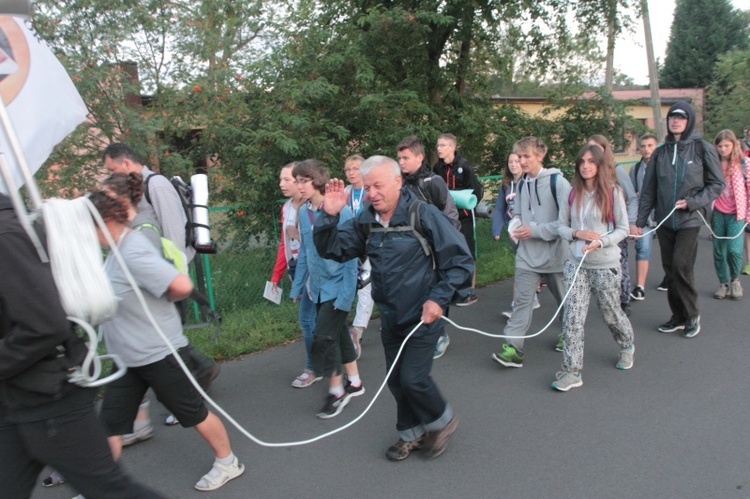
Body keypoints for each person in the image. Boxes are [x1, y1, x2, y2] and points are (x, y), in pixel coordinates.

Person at [0, 193, 165, 499]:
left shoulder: (5, 234)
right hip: (15, 399)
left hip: (48, 398)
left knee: (111, 490)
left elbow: (44, 325)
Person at [313, 155, 472, 461]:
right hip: (390, 316)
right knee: (397, 381)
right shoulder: (366, 220)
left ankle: (442, 420)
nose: (372, 192)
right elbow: (334, 249)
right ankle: (410, 434)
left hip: (423, 316)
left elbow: (460, 261)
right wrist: (329, 217)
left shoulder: (422, 214)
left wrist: (438, 299)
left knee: (413, 379)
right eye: (368, 186)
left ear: (398, 181)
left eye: (378, 185)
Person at [88, 191, 245, 492]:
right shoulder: (116, 250)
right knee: (109, 423)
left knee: (193, 412)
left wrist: (166, 297)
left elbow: (182, 284)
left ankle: (228, 461)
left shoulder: (133, 250)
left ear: (105, 222)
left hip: (159, 353)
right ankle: (98, 485)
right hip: (128, 358)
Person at [633, 101, 724, 338]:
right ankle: (678, 317)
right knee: (670, 271)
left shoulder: (701, 149)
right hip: (665, 221)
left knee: (681, 266)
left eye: (681, 118)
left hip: (690, 220)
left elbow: (717, 185)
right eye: (672, 117)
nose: (676, 121)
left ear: (689, 121)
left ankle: (692, 314)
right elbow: (649, 189)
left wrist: (692, 203)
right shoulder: (660, 153)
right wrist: (639, 221)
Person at [552, 144, 635, 392]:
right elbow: (560, 226)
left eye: (591, 161)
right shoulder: (572, 193)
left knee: (610, 313)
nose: (586, 165)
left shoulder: (612, 191)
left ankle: (627, 344)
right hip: (576, 264)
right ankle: (572, 371)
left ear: (599, 165)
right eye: (582, 161)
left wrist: (601, 241)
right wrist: (576, 233)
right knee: (572, 318)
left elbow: (623, 229)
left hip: (605, 264)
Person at [289, 160, 364, 419]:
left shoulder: (339, 211)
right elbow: (307, 254)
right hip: (317, 288)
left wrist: (345, 296)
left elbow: (351, 257)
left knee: (325, 337)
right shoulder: (302, 212)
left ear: (317, 181)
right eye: (296, 181)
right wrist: (298, 286)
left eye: (303, 181)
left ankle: (336, 392)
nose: (299, 186)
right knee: (340, 334)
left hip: (338, 288)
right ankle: (354, 382)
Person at [491, 137, 570, 368]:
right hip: (527, 256)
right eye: (518, 157)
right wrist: (514, 227)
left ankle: (569, 334)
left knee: (565, 301)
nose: (521, 161)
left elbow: (565, 223)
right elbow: (519, 215)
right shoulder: (522, 184)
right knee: (522, 302)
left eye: (526, 156)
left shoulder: (558, 183)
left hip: (556, 256)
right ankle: (514, 349)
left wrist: (533, 231)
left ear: (540, 156)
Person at [396, 135, 460, 360]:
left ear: (419, 157)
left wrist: (444, 244)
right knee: (414, 291)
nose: (401, 162)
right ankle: (418, 331)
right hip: (411, 249)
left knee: (437, 291)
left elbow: (450, 215)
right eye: (399, 158)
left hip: (436, 248)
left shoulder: (433, 182)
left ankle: (440, 334)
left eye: (406, 158)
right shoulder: (400, 183)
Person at [269, 162, 320, 387]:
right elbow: (284, 244)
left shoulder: (316, 206)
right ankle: (338, 356)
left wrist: (298, 234)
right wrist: (276, 276)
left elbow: (321, 243)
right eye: (282, 179)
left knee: (307, 320)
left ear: (302, 181)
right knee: (320, 321)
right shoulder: (287, 208)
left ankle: (313, 368)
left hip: (317, 274)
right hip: (298, 271)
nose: (282, 184)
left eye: (287, 179)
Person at [587, 134, 638, 316]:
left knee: (619, 261)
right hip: (596, 226)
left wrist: (631, 222)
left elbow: (631, 197)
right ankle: (608, 298)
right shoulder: (587, 174)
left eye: (596, 148)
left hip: (615, 226)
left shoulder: (617, 171)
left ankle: (624, 298)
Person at [433, 133, 483, 306]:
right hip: (445, 218)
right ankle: (452, 289)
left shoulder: (464, 166)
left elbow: (477, 191)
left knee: (467, 252)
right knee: (449, 252)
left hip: (464, 218)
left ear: (452, 147)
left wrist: (465, 203)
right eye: (438, 145)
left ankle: (469, 291)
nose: (438, 148)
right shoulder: (437, 168)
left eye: (443, 145)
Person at [491, 151, 541, 317]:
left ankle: (517, 305)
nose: (513, 164)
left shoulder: (531, 182)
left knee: (523, 267)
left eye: (516, 161)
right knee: (525, 267)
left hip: (529, 232)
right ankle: (531, 297)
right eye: (510, 162)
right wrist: (497, 229)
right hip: (514, 232)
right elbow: (499, 208)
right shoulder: (506, 185)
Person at [710, 130, 749, 300]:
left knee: (734, 250)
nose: (723, 149)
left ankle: (735, 280)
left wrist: (748, 212)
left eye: (727, 145)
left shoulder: (743, 163)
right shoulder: (713, 164)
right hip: (718, 211)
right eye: (720, 146)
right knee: (719, 250)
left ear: (733, 145)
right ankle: (723, 283)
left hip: (736, 212)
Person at [343, 154, 374, 358]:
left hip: (373, 245)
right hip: (353, 246)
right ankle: (355, 330)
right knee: (357, 285)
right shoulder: (345, 192)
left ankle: (357, 331)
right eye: (348, 170)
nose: (352, 173)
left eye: (355, 168)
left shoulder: (371, 190)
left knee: (366, 286)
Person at [629, 134, 659, 301]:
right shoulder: (635, 168)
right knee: (643, 247)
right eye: (643, 146)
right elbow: (632, 194)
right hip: (644, 216)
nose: (646, 149)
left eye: (650, 145)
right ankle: (640, 286)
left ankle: (670, 277)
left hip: (663, 215)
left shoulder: (663, 166)